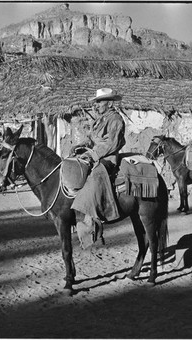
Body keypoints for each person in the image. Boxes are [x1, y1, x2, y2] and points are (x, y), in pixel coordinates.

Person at [70, 88, 126, 247]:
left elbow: (111, 144)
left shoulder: (115, 119)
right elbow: (91, 139)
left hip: (108, 158)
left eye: (100, 102)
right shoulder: (100, 119)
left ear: (109, 103)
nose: (97, 105)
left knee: (94, 176)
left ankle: (94, 218)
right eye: (96, 102)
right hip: (95, 153)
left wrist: (93, 155)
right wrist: (80, 146)